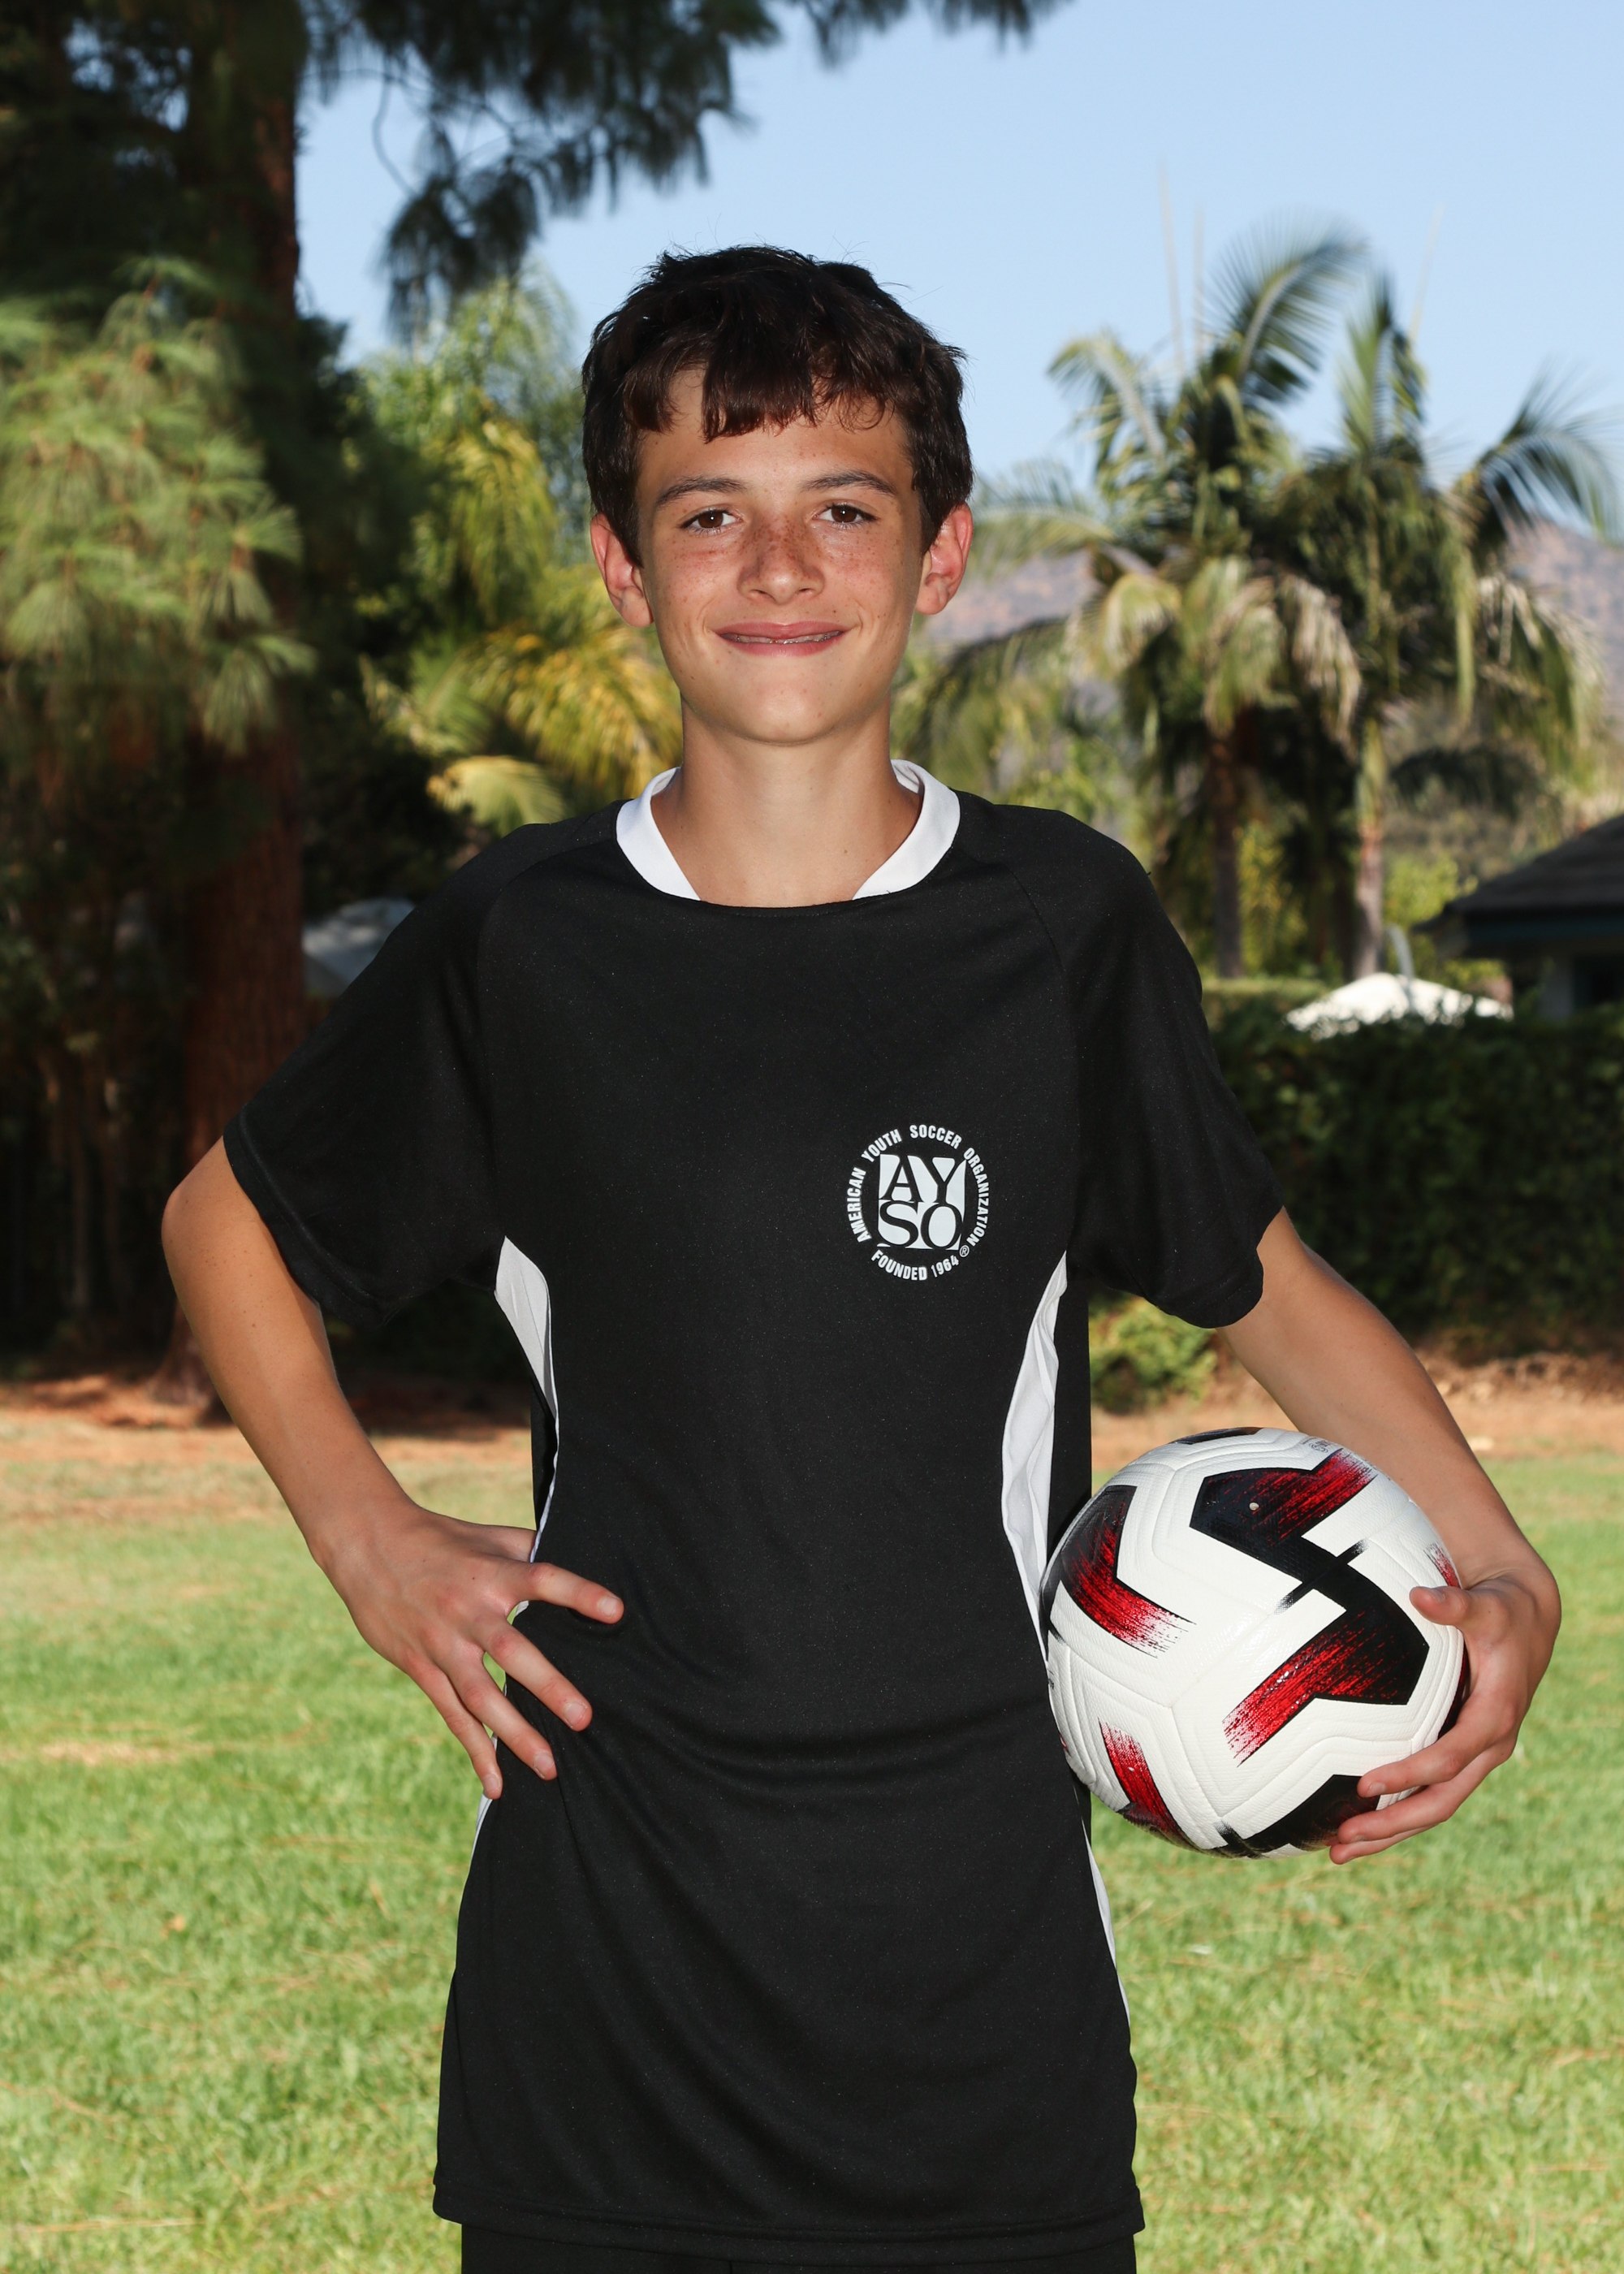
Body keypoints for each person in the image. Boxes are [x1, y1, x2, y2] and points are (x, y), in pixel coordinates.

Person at [162, 247, 1560, 2274]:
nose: (778, 564)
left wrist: (1503, 1563)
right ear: (622, 568)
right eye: (705, 513)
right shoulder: (525, 939)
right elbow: (225, 1218)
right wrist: (367, 1536)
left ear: (942, 551)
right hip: (608, 1986)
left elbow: (1264, 1281)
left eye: (843, 505)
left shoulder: (1058, 924)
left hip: (978, 1985)